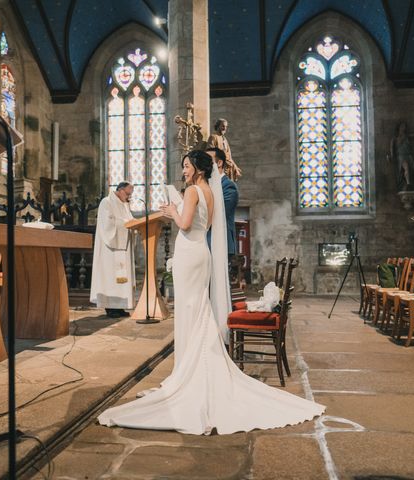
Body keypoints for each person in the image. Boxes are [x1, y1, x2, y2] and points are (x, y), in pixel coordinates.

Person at [97, 150, 323, 435]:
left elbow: (185, 224)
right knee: (198, 308)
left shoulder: (193, 191)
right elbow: (209, 225)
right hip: (200, 254)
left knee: (191, 310)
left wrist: (171, 211)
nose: (184, 171)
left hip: (189, 255)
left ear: (198, 170)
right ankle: (190, 368)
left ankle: (188, 374)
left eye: (187, 166)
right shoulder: (211, 193)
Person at [90, 182, 135, 318]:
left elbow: (129, 220)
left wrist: (133, 225)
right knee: (110, 277)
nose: (129, 197)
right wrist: (127, 224)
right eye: (127, 194)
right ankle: (110, 307)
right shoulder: (106, 202)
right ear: (120, 190)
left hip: (122, 247)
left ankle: (120, 306)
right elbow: (108, 225)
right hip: (110, 250)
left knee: (122, 278)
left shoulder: (124, 205)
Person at [206, 147, 239, 258]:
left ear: (219, 163)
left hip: (221, 243)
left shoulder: (229, 186)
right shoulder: (207, 186)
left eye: (208, 160)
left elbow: (220, 213)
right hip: (207, 243)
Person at [388, 121, 414, 191]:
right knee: (406, 168)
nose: (403, 128)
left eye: (404, 126)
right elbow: (392, 149)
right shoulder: (395, 139)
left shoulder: (407, 136)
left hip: (409, 156)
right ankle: (408, 183)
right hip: (401, 156)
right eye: (402, 126)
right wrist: (391, 157)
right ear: (399, 127)